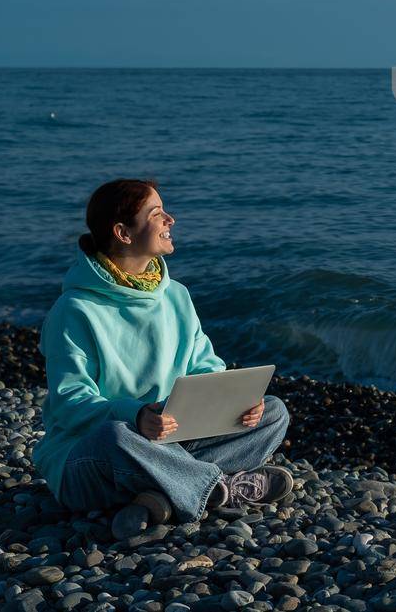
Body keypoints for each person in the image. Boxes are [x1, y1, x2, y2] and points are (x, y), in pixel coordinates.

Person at [33, 178, 293, 539]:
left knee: (274, 412)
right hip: (90, 457)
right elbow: (69, 404)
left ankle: (163, 494)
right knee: (116, 436)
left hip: (168, 439)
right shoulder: (74, 309)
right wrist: (135, 415)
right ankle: (218, 489)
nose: (170, 219)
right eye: (157, 213)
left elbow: (205, 365)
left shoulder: (176, 296)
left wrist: (234, 401)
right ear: (123, 233)